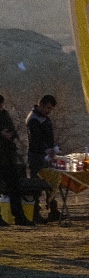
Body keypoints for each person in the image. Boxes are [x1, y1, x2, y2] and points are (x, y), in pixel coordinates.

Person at [26, 95, 58, 225]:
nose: (49, 111)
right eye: (48, 108)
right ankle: (35, 213)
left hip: (46, 155)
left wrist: (52, 148)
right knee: (37, 184)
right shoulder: (34, 119)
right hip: (37, 156)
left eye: (51, 109)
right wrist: (47, 150)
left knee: (51, 183)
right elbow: (36, 139)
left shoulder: (44, 118)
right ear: (41, 104)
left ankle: (53, 210)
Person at [0, 97, 28, 228]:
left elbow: (13, 130)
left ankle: (19, 215)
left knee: (15, 187)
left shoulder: (5, 115)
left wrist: (12, 135)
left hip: (8, 156)